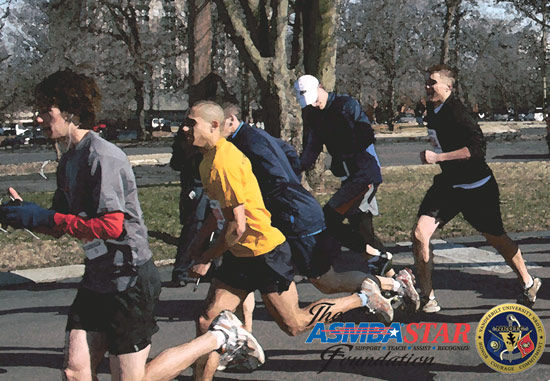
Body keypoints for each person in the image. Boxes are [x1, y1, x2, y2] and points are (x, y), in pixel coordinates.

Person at [0, 70, 265, 380]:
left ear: (70, 112)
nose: (40, 118)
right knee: (75, 371)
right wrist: (23, 215)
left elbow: (110, 226)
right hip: (97, 278)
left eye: (47, 110)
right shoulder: (69, 160)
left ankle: (218, 338)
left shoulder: (103, 157)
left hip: (130, 279)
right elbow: (62, 224)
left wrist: (44, 218)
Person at [181, 101, 393, 380]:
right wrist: (197, 243)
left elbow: (237, 226)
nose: (184, 128)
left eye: (191, 123)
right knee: (207, 321)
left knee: (295, 324)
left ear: (214, 126)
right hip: (239, 253)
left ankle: (362, 297)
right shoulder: (207, 158)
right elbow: (220, 210)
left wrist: (206, 258)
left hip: (265, 252)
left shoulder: (225, 162)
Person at [221, 102, 418, 307]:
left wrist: (282, 192)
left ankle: (389, 278)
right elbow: (290, 153)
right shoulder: (253, 136)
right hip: (301, 204)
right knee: (344, 227)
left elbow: (278, 177)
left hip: (319, 200)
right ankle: (380, 264)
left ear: (232, 120)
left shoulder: (251, 143)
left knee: (327, 274)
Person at [412, 64, 541, 313]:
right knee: (420, 233)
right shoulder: (432, 108)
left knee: (497, 239)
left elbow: (477, 150)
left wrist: (438, 158)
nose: (428, 87)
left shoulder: (458, 114)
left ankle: (528, 282)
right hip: (449, 186)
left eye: (433, 83)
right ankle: (428, 298)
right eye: (426, 83)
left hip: (477, 188)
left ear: (448, 86)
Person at [294, 74, 392, 275]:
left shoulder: (346, 105)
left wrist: (345, 144)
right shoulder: (313, 115)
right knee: (362, 228)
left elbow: (366, 136)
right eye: (308, 103)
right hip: (350, 178)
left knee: (329, 218)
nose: (313, 105)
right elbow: (312, 149)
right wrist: (293, 169)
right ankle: (391, 273)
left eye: (314, 99)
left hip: (364, 175)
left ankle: (375, 256)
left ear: (321, 87)